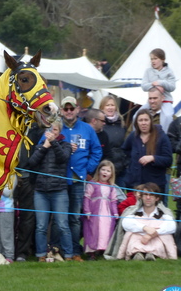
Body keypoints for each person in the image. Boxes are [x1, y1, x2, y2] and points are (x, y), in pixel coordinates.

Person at [54, 96, 102, 260]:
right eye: (65, 109)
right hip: (59, 179)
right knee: (59, 217)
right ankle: (56, 249)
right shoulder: (57, 128)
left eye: (71, 108)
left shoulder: (87, 129)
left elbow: (97, 151)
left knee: (74, 217)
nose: (68, 111)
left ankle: (74, 251)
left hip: (78, 179)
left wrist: (88, 169)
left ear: (77, 109)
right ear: (61, 110)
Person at [25, 119, 73, 262]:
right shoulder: (40, 146)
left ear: (60, 131)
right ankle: (41, 255)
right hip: (41, 190)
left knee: (63, 224)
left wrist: (54, 143)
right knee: (41, 226)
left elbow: (63, 158)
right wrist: (44, 147)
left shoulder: (66, 145)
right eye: (50, 130)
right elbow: (32, 163)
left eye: (55, 130)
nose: (52, 133)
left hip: (59, 190)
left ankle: (69, 255)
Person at [106, 182, 177, 261]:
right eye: (145, 195)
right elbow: (126, 223)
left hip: (155, 238)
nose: (148, 198)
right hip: (138, 237)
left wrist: (151, 235)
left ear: (157, 198)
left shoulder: (164, 213)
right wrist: (145, 228)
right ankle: (137, 254)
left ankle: (151, 255)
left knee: (162, 239)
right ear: (141, 197)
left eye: (151, 195)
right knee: (131, 237)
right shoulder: (133, 211)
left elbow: (171, 226)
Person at [122, 109, 172, 194]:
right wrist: (130, 167)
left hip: (154, 186)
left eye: (146, 120)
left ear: (151, 121)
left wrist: (153, 158)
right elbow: (124, 152)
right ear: (136, 123)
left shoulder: (161, 137)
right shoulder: (133, 136)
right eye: (140, 120)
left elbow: (168, 160)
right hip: (134, 185)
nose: (143, 123)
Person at [13, 123, 42, 262]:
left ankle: (22, 253)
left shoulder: (35, 130)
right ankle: (8, 251)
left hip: (29, 178)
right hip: (9, 177)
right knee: (7, 216)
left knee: (28, 217)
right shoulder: (7, 124)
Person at [82, 160, 121, 260]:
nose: (105, 172)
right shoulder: (92, 184)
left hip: (107, 213)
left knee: (105, 230)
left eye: (108, 171)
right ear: (99, 171)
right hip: (94, 211)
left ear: (111, 174)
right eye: (103, 170)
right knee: (93, 230)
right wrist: (87, 210)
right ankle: (92, 252)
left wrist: (115, 213)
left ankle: (103, 249)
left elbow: (113, 200)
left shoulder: (112, 187)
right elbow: (87, 197)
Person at [140, 48, 175, 132]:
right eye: (151, 59)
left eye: (155, 58)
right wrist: (153, 85)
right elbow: (144, 86)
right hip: (152, 101)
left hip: (166, 100)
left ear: (162, 59)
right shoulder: (148, 71)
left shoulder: (169, 72)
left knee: (167, 116)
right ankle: (136, 137)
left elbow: (172, 87)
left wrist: (161, 82)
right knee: (137, 115)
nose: (153, 61)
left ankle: (166, 137)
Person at [98, 95, 127, 183]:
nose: (110, 108)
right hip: (104, 169)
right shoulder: (99, 126)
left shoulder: (122, 124)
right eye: (107, 105)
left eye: (112, 105)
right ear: (102, 108)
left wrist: (125, 163)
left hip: (121, 168)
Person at [0, 175, 16, 263]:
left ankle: (9, 256)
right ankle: (1, 256)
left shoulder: (12, 175)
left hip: (6, 209)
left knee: (6, 234)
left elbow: (7, 192)